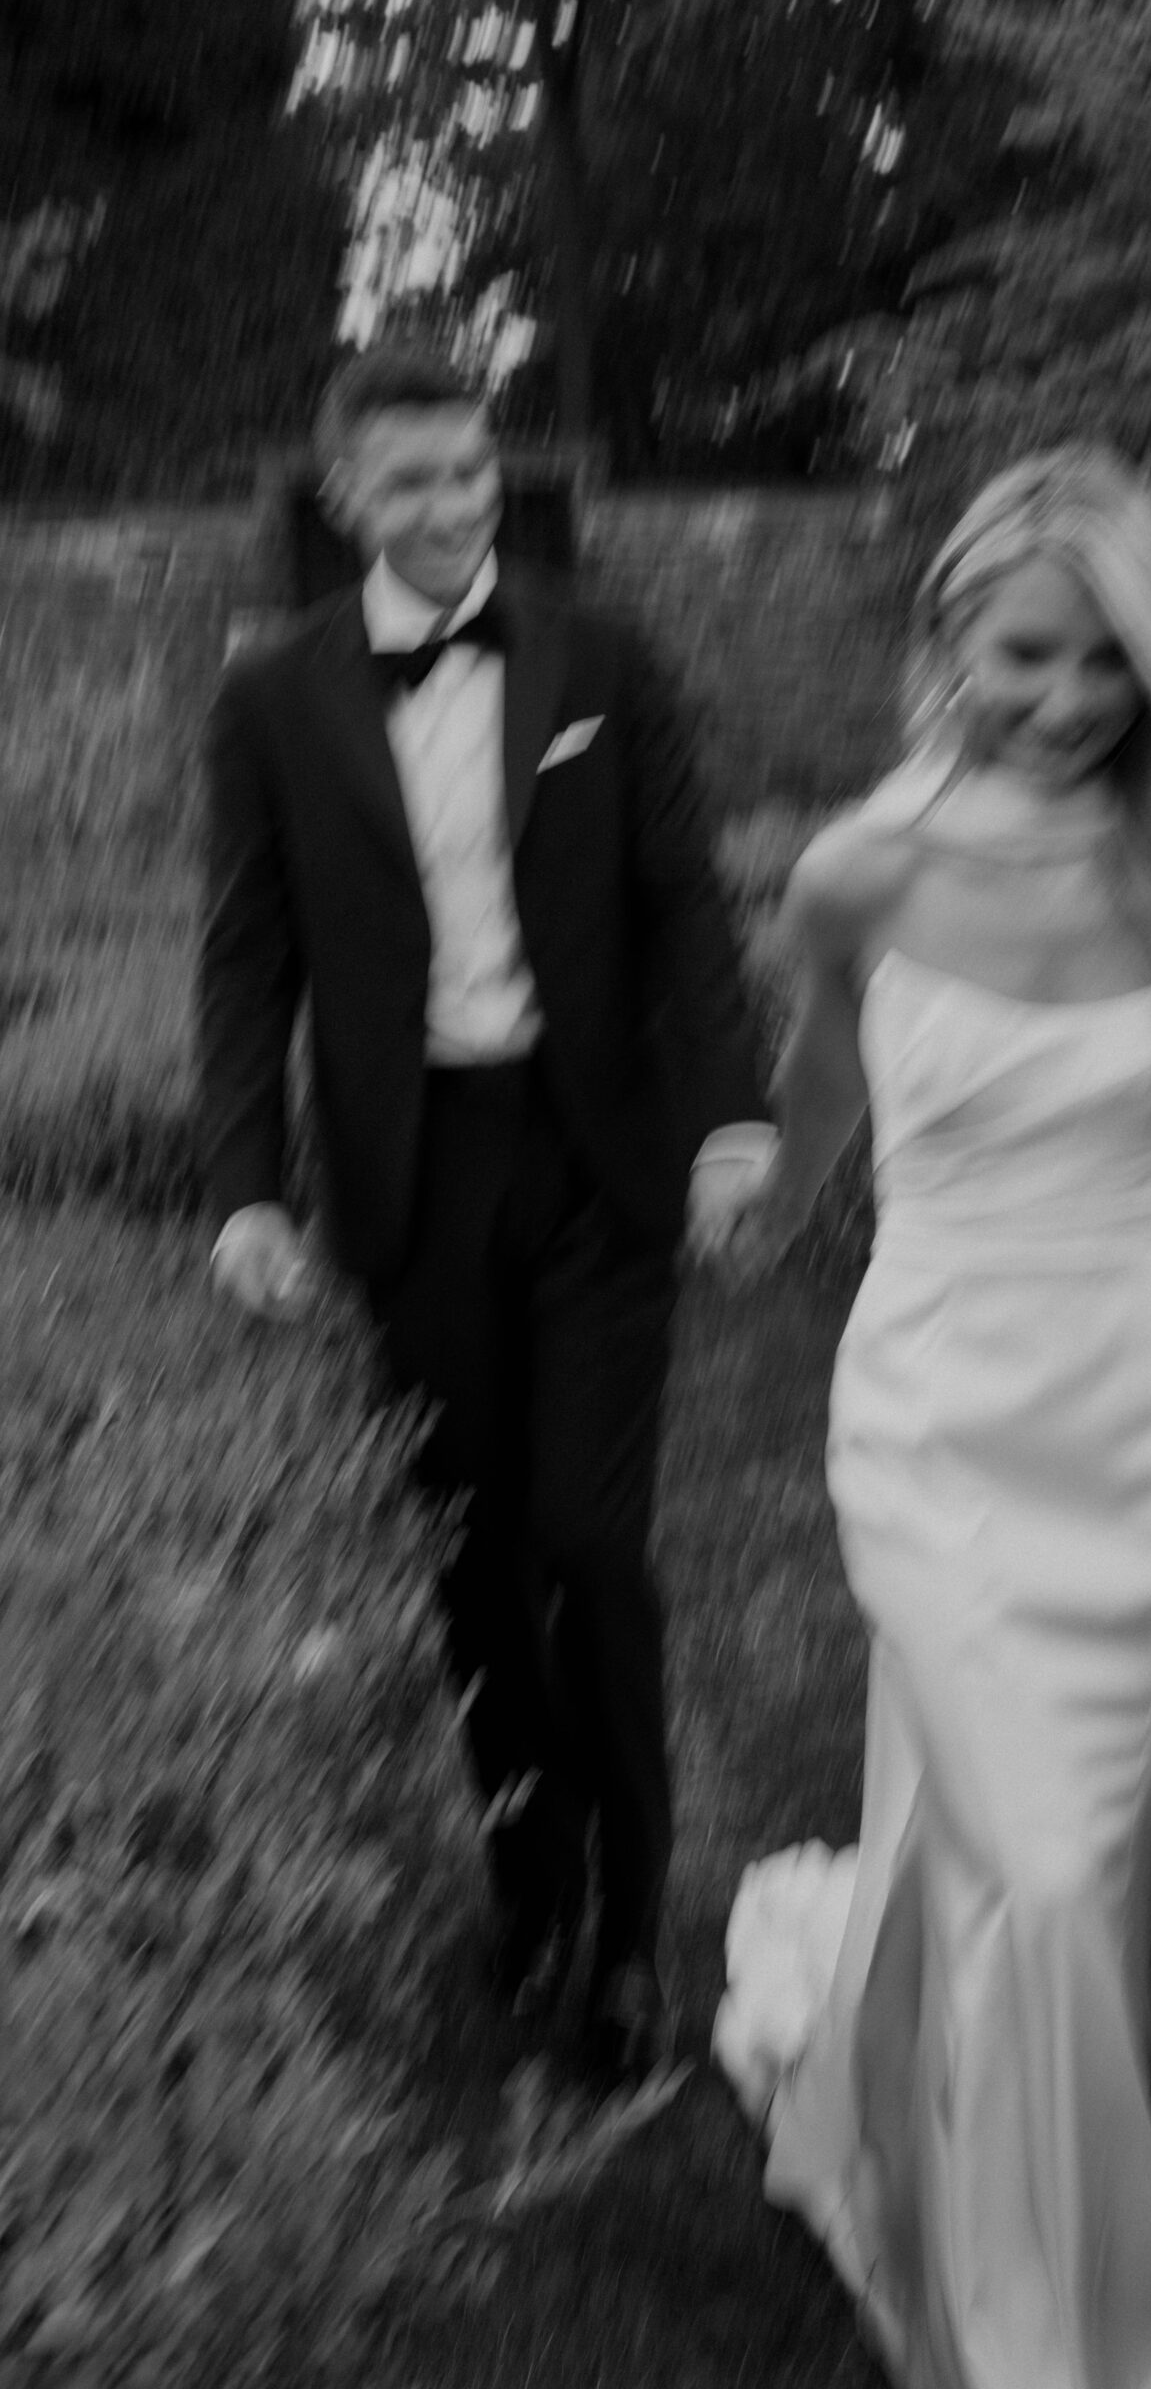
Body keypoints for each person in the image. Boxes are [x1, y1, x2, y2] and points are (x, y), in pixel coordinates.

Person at [706, 444, 1151, 2386]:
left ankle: (961, 2095)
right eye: (1022, 654)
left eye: (1103, 668)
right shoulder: (859, 868)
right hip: (931, 1412)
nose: (1062, 702)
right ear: (945, 642)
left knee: (1065, 1844)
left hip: (1132, 1422)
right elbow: (819, 1101)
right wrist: (752, 1203)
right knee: (1045, 1859)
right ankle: (1051, 2312)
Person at [198, 342, 772, 2089]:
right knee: (471, 1566)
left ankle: (630, 1933)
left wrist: (735, 1118)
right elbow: (244, 952)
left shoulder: (604, 659)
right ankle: (529, 1879)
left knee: (592, 1549)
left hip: (597, 1161)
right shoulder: (273, 696)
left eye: (469, 474)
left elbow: (686, 909)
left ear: (493, 476)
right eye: (409, 483)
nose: (447, 508)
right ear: (343, 498)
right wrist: (242, 1186)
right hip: (414, 1179)